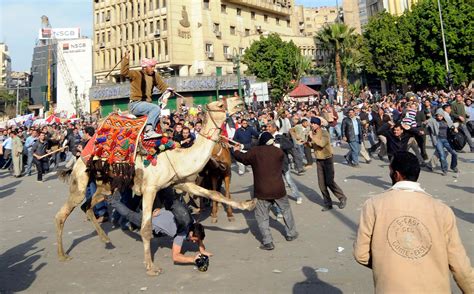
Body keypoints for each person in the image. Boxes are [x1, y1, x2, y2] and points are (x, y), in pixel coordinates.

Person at [353, 152, 473, 293]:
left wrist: (388, 265)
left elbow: (361, 253)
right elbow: (459, 263)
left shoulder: (373, 205)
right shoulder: (442, 210)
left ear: (396, 174)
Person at [233, 132, 298, 250]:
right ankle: (291, 233)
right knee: (286, 210)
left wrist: (236, 150)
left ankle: (268, 242)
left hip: (262, 190)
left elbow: (242, 158)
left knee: (261, 216)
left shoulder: (255, 152)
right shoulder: (278, 152)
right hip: (278, 189)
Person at [107, 192, 212, 265]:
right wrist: (192, 259)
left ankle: (118, 202)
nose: (194, 242)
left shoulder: (191, 221)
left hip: (159, 212)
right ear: (191, 233)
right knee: (129, 214)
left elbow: (199, 237)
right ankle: (110, 199)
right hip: (149, 222)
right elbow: (176, 257)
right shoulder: (181, 235)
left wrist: (202, 250)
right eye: (194, 240)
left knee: (136, 208)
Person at [120, 50, 170, 139]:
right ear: (144, 67)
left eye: (154, 66)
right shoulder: (136, 74)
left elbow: (163, 86)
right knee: (155, 108)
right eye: (151, 67)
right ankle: (149, 131)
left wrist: (169, 91)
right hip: (135, 104)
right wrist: (126, 59)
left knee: (159, 122)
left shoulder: (155, 75)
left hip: (146, 105)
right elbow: (124, 72)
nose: (153, 68)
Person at [308, 117, 347, 211]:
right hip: (319, 160)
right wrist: (306, 142)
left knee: (329, 181)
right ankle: (328, 203)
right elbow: (312, 145)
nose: (312, 125)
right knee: (321, 184)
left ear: (318, 124)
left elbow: (321, 144)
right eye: (311, 123)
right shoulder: (312, 133)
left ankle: (342, 197)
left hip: (327, 159)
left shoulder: (325, 133)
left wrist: (312, 138)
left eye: (314, 123)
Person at [267, 121, 303, 204]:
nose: (267, 129)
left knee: (289, 181)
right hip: (273, 165)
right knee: (276, 183)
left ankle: (298, 196)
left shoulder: (281, 136)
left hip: (283, 163)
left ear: (274, 128)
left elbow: (290, 145)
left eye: (269, 127)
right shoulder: (267, 138)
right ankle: (279, 200)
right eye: (267, 127)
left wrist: (280, 146)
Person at [426, 109, 458, 175]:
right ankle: (445, 170)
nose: (439, 117)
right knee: (442, 155)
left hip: (447, 140)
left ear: (443, 116)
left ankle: (453, 166)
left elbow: (452, 125)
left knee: (454, 153)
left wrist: (454, 128)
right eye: (438, 116)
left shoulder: (447, 120)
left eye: (441, 116)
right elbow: (426, 123)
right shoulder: (433, 120)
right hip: (438, 140)